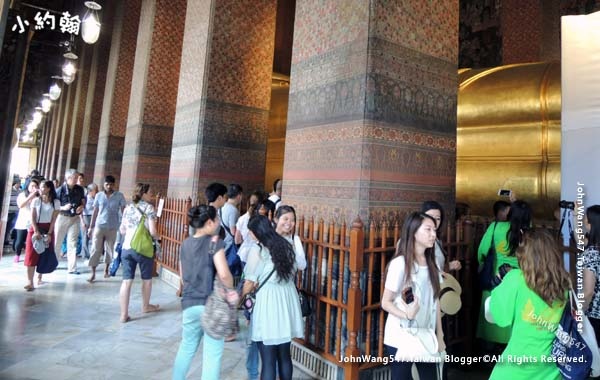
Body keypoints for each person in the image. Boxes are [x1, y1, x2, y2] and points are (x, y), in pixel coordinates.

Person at [485, 229, 569, 379]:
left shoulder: (516, 279)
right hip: (552, 370)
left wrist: (498, 285)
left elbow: (496, 317)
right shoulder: (564, 284)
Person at [172, 205, 235, 380]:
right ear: (209, 222)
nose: (217, 223)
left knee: (186, 347)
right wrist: (230, 290)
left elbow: (183, 276)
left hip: (189, 303)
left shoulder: (185, 243)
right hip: (210, 304)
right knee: (212, 355)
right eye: (216, 219)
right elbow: (223, 274)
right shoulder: (215, 242)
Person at [381, 212, 444, 379]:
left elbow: (436, 301)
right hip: (400, 336)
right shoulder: (399, 264)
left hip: (426, 334)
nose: (433, 234)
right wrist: (406, 314)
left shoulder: (433, 263)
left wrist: (440, 335)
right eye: (428, 229)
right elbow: (385, 302)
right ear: (414, 232)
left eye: (435, 230)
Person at [243, 215, 304, 380]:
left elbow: (249, 282)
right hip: (287, 298)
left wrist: (241, 297)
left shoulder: (259, 249)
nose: (249, 235)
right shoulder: (286, 244)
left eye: (250, 232)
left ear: (257, 232)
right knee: (284, 354)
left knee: (268, 359)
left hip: (269, 301)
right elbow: (295, 270)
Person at [476, 200, 532, 345]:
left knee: (493, 310)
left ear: (510, 213)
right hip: (521, 280)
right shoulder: (529, 232)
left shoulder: (496, 227)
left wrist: (482, 263)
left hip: (497, 278)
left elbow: (482, 251)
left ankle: (489, 351)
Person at [118, 183, 160, 323]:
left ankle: (124, 314)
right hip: (142, 248)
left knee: (126, 281)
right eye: (149, 192)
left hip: (127, 248)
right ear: (143, 194)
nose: (152, 195)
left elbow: (122, 230)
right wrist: (158, 237)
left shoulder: (128, 208)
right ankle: (146, 306)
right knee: (146, 280)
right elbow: (153, 232)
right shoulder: (149, 208)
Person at [87, 176, 127, 282]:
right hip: (100, 225)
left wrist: (125, 224)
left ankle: (106, 270)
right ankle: (93, 273)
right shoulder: (99, 195)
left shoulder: (119, 196)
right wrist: (91, 227)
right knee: (96, 248)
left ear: (114, 185)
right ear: (103, 184)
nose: (109, 186)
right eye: (107, 184)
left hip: (113, 226)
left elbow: (124, 211)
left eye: (111, 184)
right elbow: (95, 211)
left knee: (109, 249)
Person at [25, 180, 60, 290]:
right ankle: (30, 282)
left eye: (43, 187)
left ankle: (39, 277)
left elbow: (54, 219)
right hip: (35, 228)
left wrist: (49, 233)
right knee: (31, 254)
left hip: (48, 228)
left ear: (49, 188)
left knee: (44, 254)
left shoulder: (55, 202)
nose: (40, 189)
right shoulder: (36, 200)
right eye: (40, 187)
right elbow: (32, 217)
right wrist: (35, 230)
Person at [54, 168, 86, 274]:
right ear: (68, 178)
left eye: (77, 177)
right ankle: (53, 264)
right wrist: (63, 207)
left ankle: (72, 268)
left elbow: (83, 201)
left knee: (72, 243)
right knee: (57, 241)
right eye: (75, 177)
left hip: (75, 218)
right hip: (62, 216)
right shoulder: (59, 190)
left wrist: (81, 207)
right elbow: (54, 206)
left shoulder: (80, 189)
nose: (77, 179)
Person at [421, 201, 461, 272]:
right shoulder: (414, 239)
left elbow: (436, 268)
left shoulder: (436, 239)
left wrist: (450, 266)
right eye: (430, 216)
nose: (434, 221)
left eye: (438, 218)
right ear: (421, 217)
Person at [582, 205, 600, 344]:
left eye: (584, 218)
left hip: (595, 315)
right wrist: (576, 214)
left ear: (591, 224)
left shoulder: (592, 254)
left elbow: (588, 292)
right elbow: (579, 239)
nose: (582, 220)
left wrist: (579, 312)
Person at [13, 179, 40, 263]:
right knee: (19, 241)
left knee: (31, 240)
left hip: (34, 222)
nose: (34, 188)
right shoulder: (22, 195)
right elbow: (21, 205)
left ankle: (29, 256)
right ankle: (17, 254)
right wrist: (30, 197)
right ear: (27, 186)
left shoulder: (38, 196)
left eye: (36, 186)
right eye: (32, 186)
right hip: (23, 221)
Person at [235, 190, 264, 264]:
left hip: (244, 253)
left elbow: (237, 240)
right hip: (259, 255)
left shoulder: (242, 218)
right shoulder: (263, 220)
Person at [81, 183, 98, 259]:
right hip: (86, 217)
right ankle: (86, 254)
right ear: (90, 191)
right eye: (96, 190)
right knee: (86, 236)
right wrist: (82, 221)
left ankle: (93, 253)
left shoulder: (96, 198)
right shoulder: (85, 198)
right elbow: (81, 210)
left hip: (94, 217)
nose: (97, 191)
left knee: (94, 235)